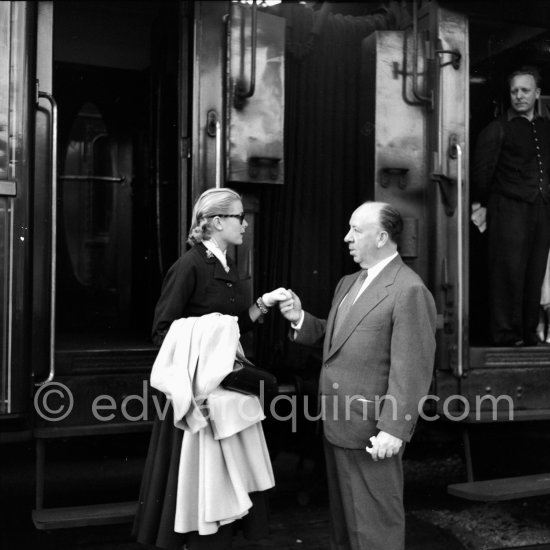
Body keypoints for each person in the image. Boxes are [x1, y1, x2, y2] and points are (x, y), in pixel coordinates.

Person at [133, 187, 290, 550]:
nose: (245, 225)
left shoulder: (225, 264)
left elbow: (232, 326)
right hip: (200, 399)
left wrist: (264, 304)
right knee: (201, 487)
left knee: (218, 485)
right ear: (217, 222)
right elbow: (163, 332)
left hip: (222, 394)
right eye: (239, 217)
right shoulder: (188, 266)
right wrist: (210, 346)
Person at [278, 201, 436, 550]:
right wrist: (300, 317)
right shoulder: (349, 282)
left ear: (381, 237)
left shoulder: (408, 289)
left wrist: (394, 429)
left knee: (375, 530)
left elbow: (412, 366)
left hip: (371, 432)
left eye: (356, 230)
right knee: (347, 530)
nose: (347, 237)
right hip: (338, 426)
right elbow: (336, 338)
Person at [471, 65, 550, 346]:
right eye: (514, 91)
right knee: (508, 273)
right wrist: (484, 205)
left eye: (525, 90)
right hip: (508, 209)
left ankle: (529, 333)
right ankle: (506, 334)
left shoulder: (545, 128)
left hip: (541, 209)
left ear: (537, 93)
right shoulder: (498, 129)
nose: (519, 96)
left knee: (534, 271)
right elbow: (481, 174)